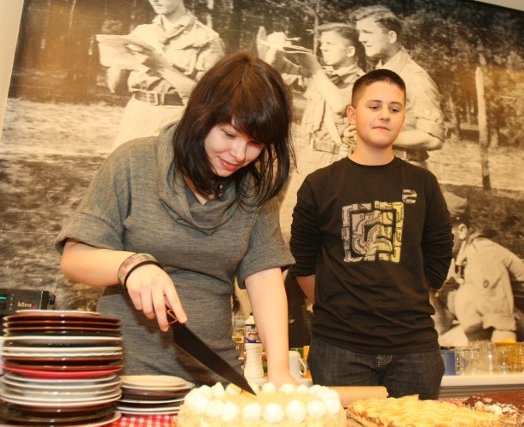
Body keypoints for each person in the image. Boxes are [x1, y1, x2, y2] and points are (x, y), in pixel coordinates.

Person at [56, 51, 297, 387]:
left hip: (214, 379)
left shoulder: (254, 192)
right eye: (228, 134)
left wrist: (282, 372)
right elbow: (74, 259)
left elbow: (266, 281)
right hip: (125, 375)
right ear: (201, 115)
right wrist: (131, 265)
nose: (239, 155)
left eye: (254, 143)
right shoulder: (132, 162)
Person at [290, 69, 453, 399]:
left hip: (415, 350)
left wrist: (410, 292)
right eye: (374, 106)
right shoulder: (320, 184)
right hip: (339, 349)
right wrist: (338, 308)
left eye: (395, 108)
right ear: (352, 114)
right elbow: (303, 264)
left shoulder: (423, 184)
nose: (385, 115)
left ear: (403, 116)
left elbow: (439, 250)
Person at [432, 192, 524, 360]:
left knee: (466, 297)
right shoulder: (457, 261)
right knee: (443, 339)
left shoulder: (482, 256)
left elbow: (503, 326)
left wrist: (493, 373)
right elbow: (441, 327)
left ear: (461, 231)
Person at [259, 24, 366, 240]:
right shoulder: (320, 76)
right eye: (322, 43)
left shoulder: (364, 81)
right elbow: (273, 72)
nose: (323, 48)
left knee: (327, 234)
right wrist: (277, 47)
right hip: (307, 158)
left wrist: (314, 67)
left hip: (336, 162)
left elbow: (339, 105)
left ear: (351, 51)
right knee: (289, 229)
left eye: (330, 44)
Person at [106, 0, 225, 148]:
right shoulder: (140, 33)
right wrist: (117, 63)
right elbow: (114, 87)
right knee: (125, 168)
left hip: (174, 120)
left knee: (164, 169)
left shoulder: (206, 39)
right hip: (135, 116)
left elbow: (206, 97)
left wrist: (161, 66)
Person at [351, 5, 445, 169]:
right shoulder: (376, 74)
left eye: (368, 33)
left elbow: (432, 138)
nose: (361, 39)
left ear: (391, 37)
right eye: (360, 33)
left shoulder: (414, 78)